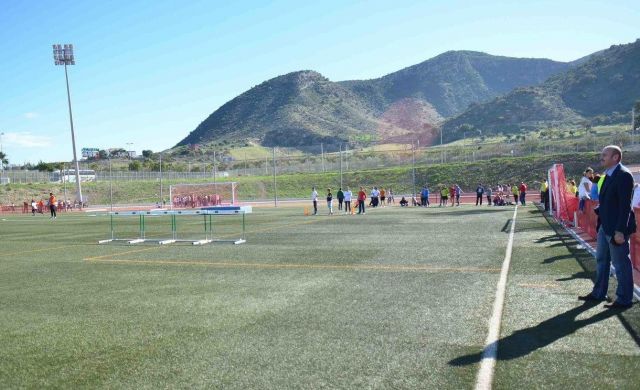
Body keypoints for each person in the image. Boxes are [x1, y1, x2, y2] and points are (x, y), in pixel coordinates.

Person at [579, 145, 636, 309]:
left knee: (620, 264)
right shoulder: (608, 175)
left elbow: (625, 206)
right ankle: (598, 293)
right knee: (602, 260)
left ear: (615, 157)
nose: (601, 157)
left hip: (616, 228)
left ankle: (624, 299)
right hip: (605, 225)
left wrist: (620, 230)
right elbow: (609, 201)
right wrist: (600, 210)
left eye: (605, 155)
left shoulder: (624, 175)